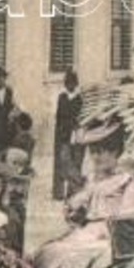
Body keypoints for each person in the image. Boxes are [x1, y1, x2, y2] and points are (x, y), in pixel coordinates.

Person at [32, 119, 134, 268]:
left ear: (117, 152)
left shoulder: (129, 182)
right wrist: (75, 214)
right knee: (47, 251)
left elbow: (127, 220)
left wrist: (102, 228)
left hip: (110, 238)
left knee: (68, 255)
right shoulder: (92, 179)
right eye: (93, 151)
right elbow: (83, 213)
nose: (97, 156)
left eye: (103, 151)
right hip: (87, 232)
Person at [52, 71, 83, 200]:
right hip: (62, 134)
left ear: (76, 84)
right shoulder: (62, 97)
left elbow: (81, 118)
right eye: (67, 83)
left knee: (75, 161)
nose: (70, 85)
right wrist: (58, 133)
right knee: (61, 162)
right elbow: (58, 117)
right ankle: (58, 192)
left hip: (75, 134)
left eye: (72, 83)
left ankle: (73, 190)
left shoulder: (80, 99)